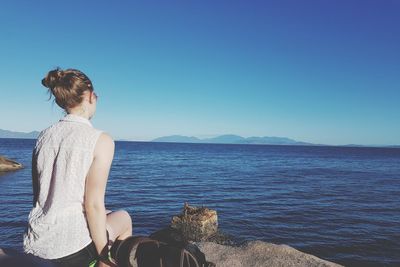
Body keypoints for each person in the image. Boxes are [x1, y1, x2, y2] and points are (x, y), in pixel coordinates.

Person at [23, 68, 133, 267]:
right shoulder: (101, 140)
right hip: (73, 247)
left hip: (36, 241)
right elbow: (93, 205)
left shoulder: (43, 136)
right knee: (124, 218)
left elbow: (39, 195)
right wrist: (104, 255)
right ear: (91, 96)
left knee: (107, 213)